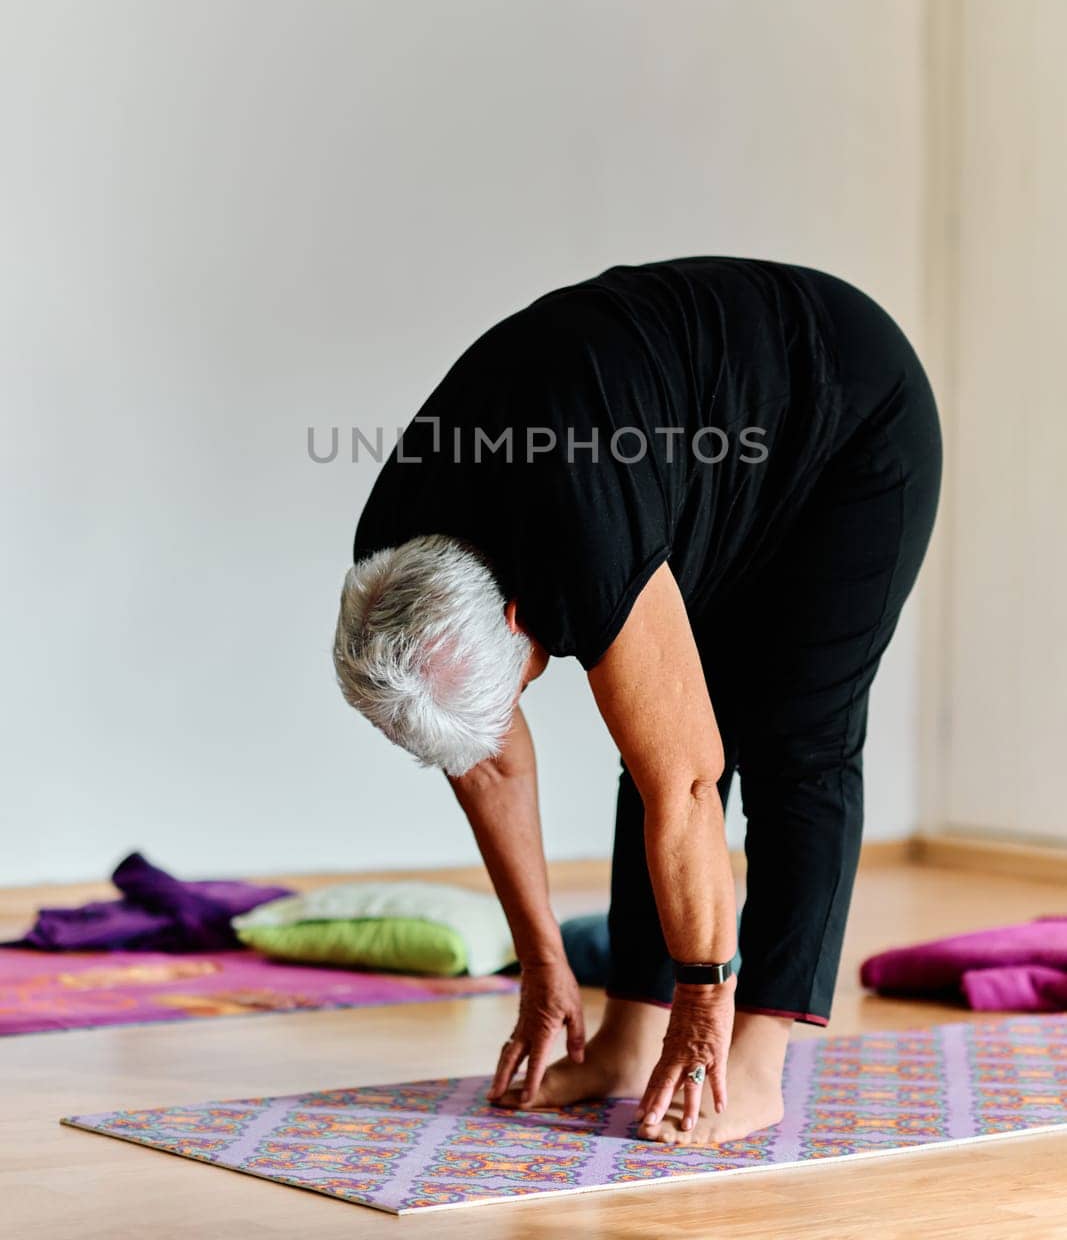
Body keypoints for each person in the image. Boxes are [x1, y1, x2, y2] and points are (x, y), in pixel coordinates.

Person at [333, 258, 941, 1146]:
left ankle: (753, 1062)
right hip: (693, 450)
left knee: (791, 736)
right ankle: (625, 1034)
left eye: (521, 687)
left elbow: (687, 785)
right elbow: (487, 756)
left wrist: (707, 1001)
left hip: (847, 416)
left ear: (514, 612)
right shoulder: (390, 569)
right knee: (652, 733)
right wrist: (543, 966)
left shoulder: (578, 539)